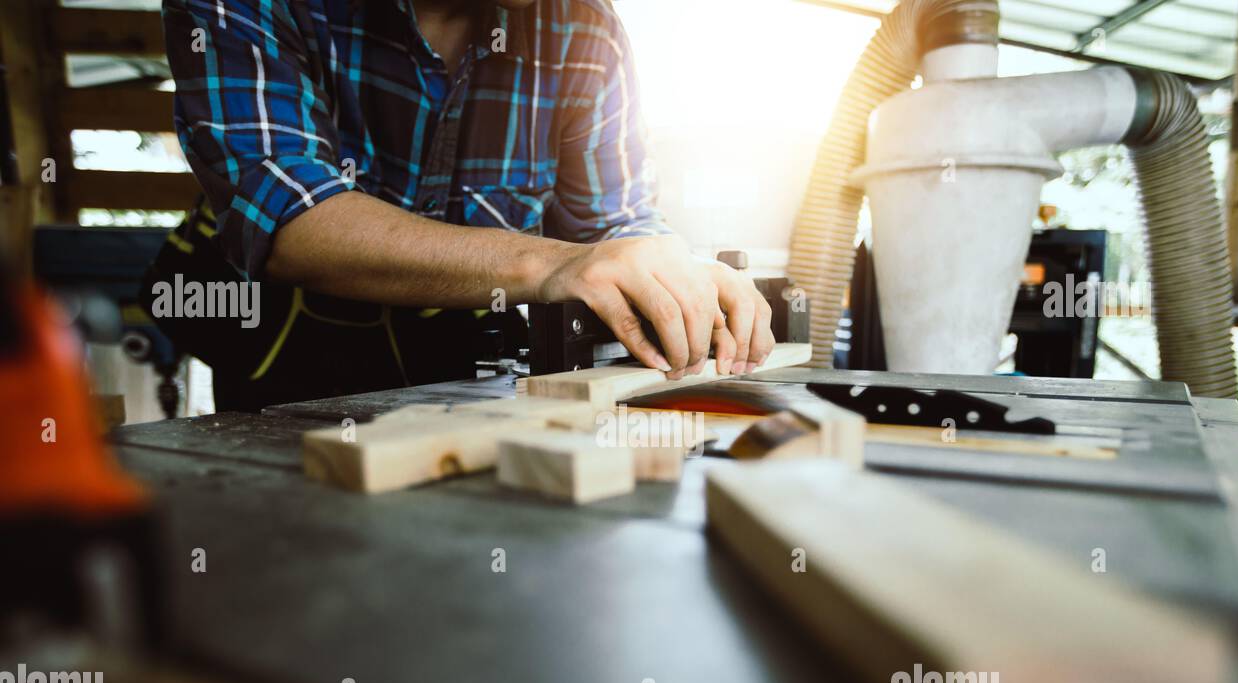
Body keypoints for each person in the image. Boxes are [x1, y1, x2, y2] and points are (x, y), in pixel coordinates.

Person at [143, 0, 775, 410]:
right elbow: (290, 215)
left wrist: (670, 270)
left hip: (458, 363)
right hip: (285, 352)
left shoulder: (585, 30)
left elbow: (614, 223)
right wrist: (552, 265)